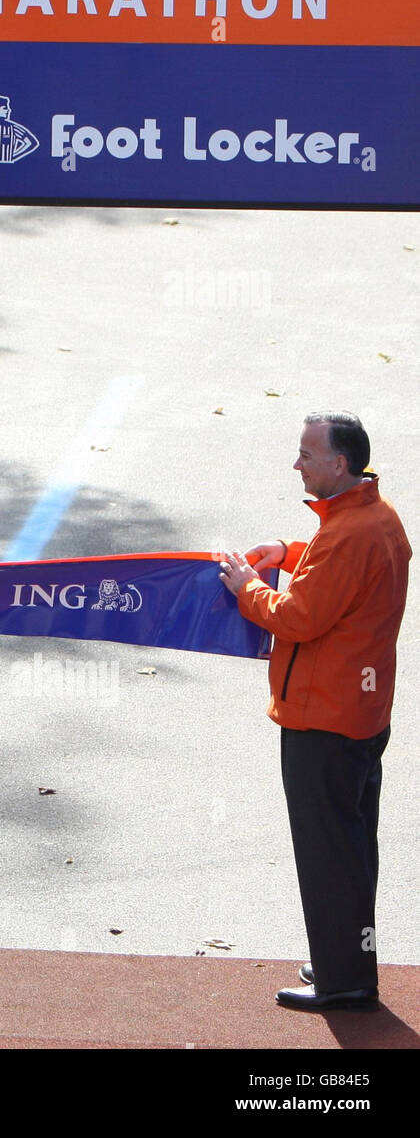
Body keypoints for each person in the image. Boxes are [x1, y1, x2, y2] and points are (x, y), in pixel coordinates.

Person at [219, 412, 409, 1011]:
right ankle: (344, 959)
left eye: (306, 454)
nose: (296, 464)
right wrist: (291, 549)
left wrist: (248, 585)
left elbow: (298, 616)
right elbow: (340, 574)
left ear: (339, 464)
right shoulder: (373, 518)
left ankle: (343, 981)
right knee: (351, 843)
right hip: (358, 710)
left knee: (327, 847)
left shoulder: (351, 532)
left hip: (323, 716)